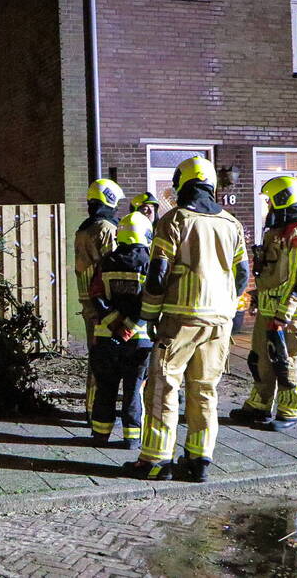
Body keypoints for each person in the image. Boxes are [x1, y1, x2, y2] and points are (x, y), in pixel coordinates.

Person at [123, 156, 249, 482]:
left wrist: (148, 315)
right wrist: (228, 308)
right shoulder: (232, 224)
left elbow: (157, 275)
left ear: (182, 184)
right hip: (219, 322)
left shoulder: (174, 220)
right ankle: (199, 460)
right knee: (205, 390)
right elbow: (242, 274)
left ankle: (155, 460)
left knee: (163, 387)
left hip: (181, 318)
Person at [230, 176, 297, 432]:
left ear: (282, 199)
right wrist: (260, 295)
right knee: (259, 360)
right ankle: (258, 406)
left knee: (288, 362)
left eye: (271, 200)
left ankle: (289, 411)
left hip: (292, 315)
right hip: (271, 311)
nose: (268, 205)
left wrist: (285, 311)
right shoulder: (277, 232)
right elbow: (276, 274)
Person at [88, 211, 155, 450]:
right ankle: (132, 438)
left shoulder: (106, 261)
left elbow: (95, 295)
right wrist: (128, 328)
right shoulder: (150, 262)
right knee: (133, 390)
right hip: (139, 339)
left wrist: (115, 323)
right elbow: (150, 302)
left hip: (106, 338)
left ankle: (100, 434)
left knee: (105, 388)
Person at [75, 179, 124, 422]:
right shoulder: (106, 228)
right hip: (104, 304)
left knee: (95, 356)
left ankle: (91, 406)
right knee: (104, 359)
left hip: (88, 303)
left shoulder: (84, 228)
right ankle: (97, 411)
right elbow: (114, 265)